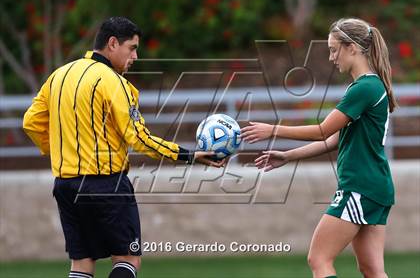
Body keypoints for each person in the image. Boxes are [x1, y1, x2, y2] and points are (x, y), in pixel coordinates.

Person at [23, 16, 223, 278]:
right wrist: (188, 155)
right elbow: (138, 138)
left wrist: (65, 150)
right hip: (106, 185)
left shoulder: (59, 76)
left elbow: (31, 122)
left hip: (65, 186)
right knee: (127, 258)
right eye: (132, 48)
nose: (136, 56)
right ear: (113, 43)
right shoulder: (114, 83)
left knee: (82, 263)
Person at [241, 18, 397, 278]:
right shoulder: (369, 86)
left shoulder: (365, 88)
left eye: (334, 49)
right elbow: (334, 140)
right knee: (372, 270)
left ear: (353, 48)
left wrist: (273, 130)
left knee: (319, 259)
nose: (331, 57)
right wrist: (288, 156)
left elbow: (323, 129)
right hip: (375, 186)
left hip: (360, 186)